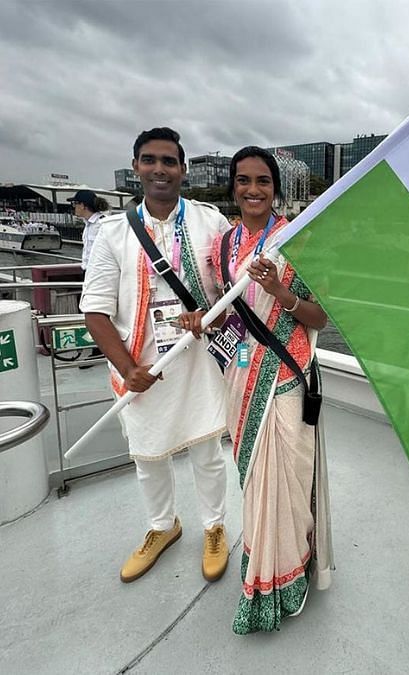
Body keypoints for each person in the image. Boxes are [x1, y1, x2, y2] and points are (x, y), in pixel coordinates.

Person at [180, 146, 333, 634]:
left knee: (286, 480)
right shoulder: (224, 246)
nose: (252, 189)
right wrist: (201, 320)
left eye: (262, 181)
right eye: (243, 180)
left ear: (275, 188)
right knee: (256, 482)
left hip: (286, 375)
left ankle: (288, 575)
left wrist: (282, 292)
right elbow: (228, 315)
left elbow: (320, 317)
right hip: (242, 374)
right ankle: (262, 569)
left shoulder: (295, 241)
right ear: (233, 186)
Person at [80, 127, 229, 584]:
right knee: (147, 455)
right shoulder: (111, 232)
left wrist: (212, 315)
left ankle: (214, 526)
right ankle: (162, 527)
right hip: (140, 364)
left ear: (183, 169)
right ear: (136, 167)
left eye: (168, 161)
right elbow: (96, 310)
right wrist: (128, 369)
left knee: (208, 451)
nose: (159, 169)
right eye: (149, 160)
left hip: (198, 358)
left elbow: (230, 296)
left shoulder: (211, 222)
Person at [69, 189, 110, 270]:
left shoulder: (103, 223)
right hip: (88, 270)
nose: (74, 207)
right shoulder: (88, 224)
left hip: (99, 272)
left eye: (75, 204)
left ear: (82, 205)